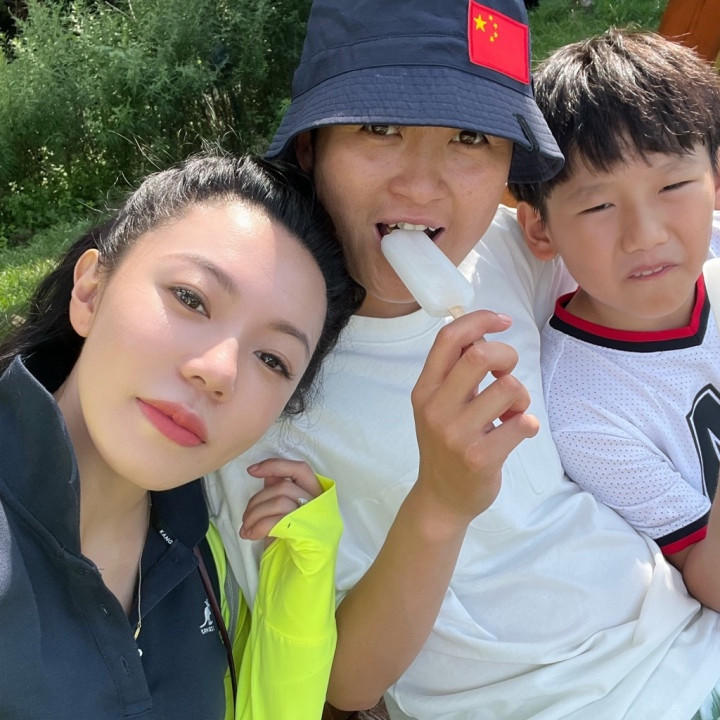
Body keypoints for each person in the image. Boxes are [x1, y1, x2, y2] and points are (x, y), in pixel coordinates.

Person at [205, 2, 720, 718]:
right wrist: (440, 503)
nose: (422, 185)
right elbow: (342, 685)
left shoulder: (504, 250)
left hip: (692, 645)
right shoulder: (257, 377)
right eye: (379, 127)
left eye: (471, 136)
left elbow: (649, 247)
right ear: (310, 148)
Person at [0, 153, 363, 720]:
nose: (219, 371)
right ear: (90, 292)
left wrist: (301, 575)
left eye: (272, 359)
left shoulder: (212, 551)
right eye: (190, 299)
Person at [508, 30, 720, 611]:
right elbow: (708, 578)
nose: (645, 235)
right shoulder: (582, 407)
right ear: (540, 229)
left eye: (673, 185)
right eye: (599, 205)